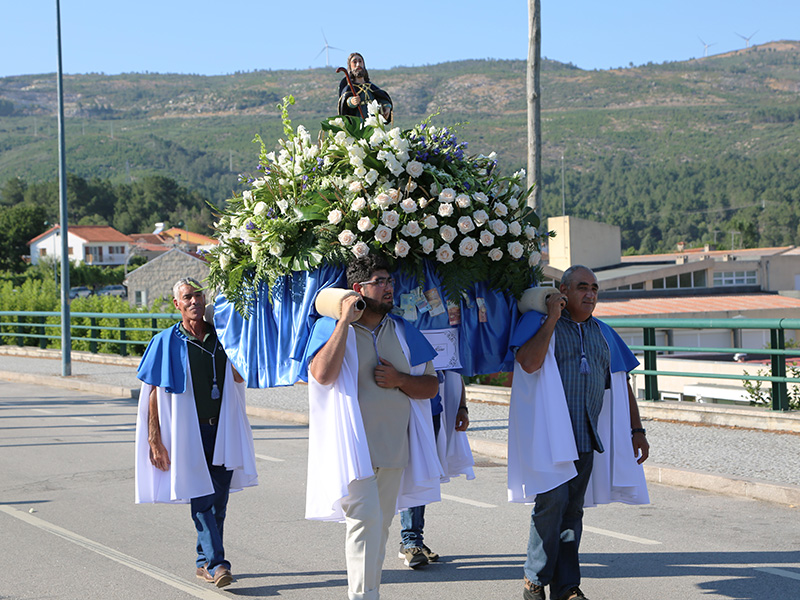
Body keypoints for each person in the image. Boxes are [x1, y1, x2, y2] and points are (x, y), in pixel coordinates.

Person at [507, 265, 650, 600]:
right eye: (582, 287)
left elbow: (620, 382)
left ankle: (567, 587)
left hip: (586, 435)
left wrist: (637, 429)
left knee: (572, 512)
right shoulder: (542, 325)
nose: (590, 294)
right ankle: (534, 579)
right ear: (563, 291)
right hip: (549, 434)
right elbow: (528, 363)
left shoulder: (603, 332)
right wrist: (553, 319)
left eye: (595, 289)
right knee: (552, 504)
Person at [303, 255, 441, 600]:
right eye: (379, 281)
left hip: (394, 449)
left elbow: (431, 386)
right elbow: (321, 375)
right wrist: (343, 323)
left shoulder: (404, 331)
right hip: (353, 448)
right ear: (357, 289)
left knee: (379, 529)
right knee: (364, 525)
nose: (389, 287)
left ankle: (369, 592)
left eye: (390, 280)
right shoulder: (330, 328)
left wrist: (399, 379)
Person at [134, 277, 258, 589]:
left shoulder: (223, 336)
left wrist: (239, 346)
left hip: (222, 428)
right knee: (201, 497)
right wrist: (154, 438)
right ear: (177, 304)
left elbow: (242, 375)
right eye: (187, 297)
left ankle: (204, 562)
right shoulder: (167, 341)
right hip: (188, 432)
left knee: (219, 501)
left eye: (198, 296)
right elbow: (153, 392)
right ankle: (218, 564)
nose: (194, 302)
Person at [397, 371, 470, 568]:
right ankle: (411, 541)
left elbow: (455, 367)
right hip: (404, 406)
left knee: (423, 474)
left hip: (433, 408)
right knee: (413, 472)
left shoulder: (444, 338)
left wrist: (462, 406)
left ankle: (413, 541)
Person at [338, 52, 393, 122]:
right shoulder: (349, 88)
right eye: (354, 62)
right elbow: (344, 102)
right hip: (358, 121)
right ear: (350, 66)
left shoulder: (371, 87)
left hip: (373, 121)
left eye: (360, 61)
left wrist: (387, 107)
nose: (358, 64)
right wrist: (351, 101)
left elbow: (381, 97)